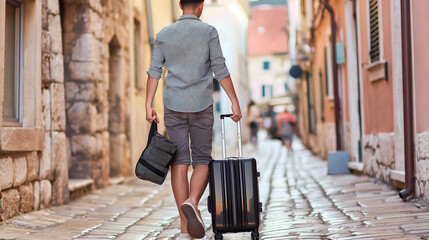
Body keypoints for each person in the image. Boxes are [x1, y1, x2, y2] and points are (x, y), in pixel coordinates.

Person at [145, 0, 242, 239]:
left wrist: (148, 103)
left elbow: (154, 70)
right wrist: (234, 101)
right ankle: (192, 201)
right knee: (202, 160)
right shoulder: (209, 31)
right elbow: (220, 68)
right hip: (200, 105)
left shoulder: (164, 34)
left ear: (179, 5)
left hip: (173, 105)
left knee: (179, 161)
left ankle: (183, 224)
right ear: (200, 6)